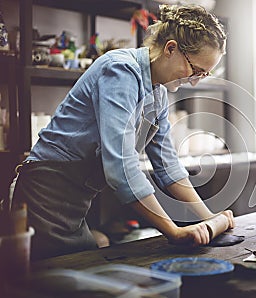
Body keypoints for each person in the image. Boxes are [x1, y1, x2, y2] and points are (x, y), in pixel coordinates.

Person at [10, 4, 234, 260]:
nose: (195, 81)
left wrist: (210, 217)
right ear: (171, 48)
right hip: (45, 196)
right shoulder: (120, 70)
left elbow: (168, 167)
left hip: (75, 204)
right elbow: (121, 166)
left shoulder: (158, 93)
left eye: (204, 74)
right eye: (195, 70)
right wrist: (172, 231)